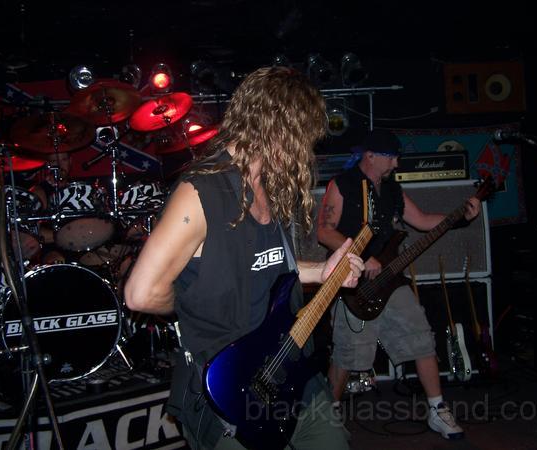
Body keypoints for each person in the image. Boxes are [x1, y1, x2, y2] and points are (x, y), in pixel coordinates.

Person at [124, 66, 365, 450]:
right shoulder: (199, 192)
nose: (306, 151)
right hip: (227, 385)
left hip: (285, 365)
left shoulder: (270, 187)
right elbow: (141, 293)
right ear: (280, 129)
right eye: (303, 137)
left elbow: (266, 262)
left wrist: (322, 270)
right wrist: (192, 305)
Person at [317, 128, 481, 440]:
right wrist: (360, 257)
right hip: (352, 281)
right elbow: (325, 231)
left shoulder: (392, 189)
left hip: (390, 277)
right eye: (391, 157)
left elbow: (422, 220)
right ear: (370, 156)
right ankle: (329, 417)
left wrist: (461, 216)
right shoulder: (343, 184)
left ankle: (437, 409)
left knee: (421, 336)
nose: (396, 163)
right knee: (348, 353)